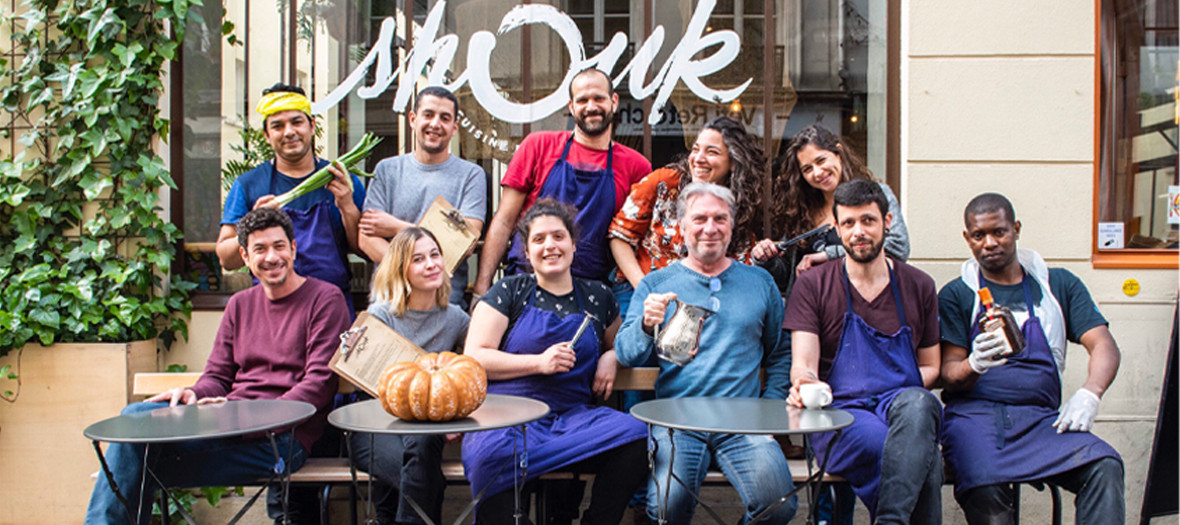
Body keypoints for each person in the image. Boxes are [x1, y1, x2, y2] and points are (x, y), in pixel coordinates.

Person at [85, 208, 350, 525]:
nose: (272, 257)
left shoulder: (324, 299)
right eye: (260, 249)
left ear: (293, 248)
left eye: (279, 246)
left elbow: (318, 385)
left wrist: (248, 416)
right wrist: (192, 393)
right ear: (245, 256)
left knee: (133, 462)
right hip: (227, 426)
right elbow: (217, 376)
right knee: (133, 422)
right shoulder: (240, 305)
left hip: (281, 441)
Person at [616, 183, 797, 524]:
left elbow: (779, 355)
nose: (710, 227)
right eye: (699, 218)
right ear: (682, 226)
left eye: (720, 218)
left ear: (731, 226)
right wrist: (644, 325)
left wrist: (772, 415)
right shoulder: (655, 284)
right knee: (667, 508)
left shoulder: (760, 282)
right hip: (676, 422)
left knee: (780, 504)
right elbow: (626, 355)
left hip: (744, 423)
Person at [939, 193, 1124, 525]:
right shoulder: (958, 294)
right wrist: (975, 364)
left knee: (1104, 466)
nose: (990, 243)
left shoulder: (1058, 285)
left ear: (1016, 229)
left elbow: (1104, 345)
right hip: (975, 421)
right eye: (979, 236)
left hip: (1042, 421)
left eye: (999, 232)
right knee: (985, 485)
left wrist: (1090, 393)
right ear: (968, 239)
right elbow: (948, 373)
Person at [462, 199, 648, 525]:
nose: (550, 245)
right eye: (539, 239)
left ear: (573, 245)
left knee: (639, 437)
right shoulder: (509, 291)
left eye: (559, 237)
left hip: (571, 418)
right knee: (491, 457)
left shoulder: (598, 296)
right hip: (507, 419)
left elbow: (624, 342)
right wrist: (537, 363)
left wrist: (612, 356)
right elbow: (474, 357)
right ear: (526, 251)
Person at [784, 179, 942, 524]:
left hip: (901, 407)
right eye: (849, 223)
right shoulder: (813, 285)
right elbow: (803, 366)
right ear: (837, 229)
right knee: (919, 454)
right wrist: (808, 385)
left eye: (868, 220)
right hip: (838, 414)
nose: (859, 231)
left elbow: (931, 367)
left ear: (887, 222)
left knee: (920, 403)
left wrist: (893, 391)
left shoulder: (919, 285)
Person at [474, 68, 652, 295]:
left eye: (599, 98)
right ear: (571, 107)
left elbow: (636, 240)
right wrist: (482, 287)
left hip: (594, 293)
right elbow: (504, 221)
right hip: (527, 285)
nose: (591, 107)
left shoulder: (636, 166)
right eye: (582, 100)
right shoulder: (537, 146)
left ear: (614, 102)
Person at [349, 227, 471, 525]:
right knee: (423, 475)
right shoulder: (380, 315)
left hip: (426, 431)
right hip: (376, 427)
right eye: (418, 259)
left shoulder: (455, 318)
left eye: (435, 255)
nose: (431, 264)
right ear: (401, 269)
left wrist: (456, 416)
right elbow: (355, 376)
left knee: (420, 451)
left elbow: (472, 372)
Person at [217, 83, 366, 314]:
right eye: (277, 126)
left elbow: (362, 249)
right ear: (267, 135)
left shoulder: (342, 180)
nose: (289, 132)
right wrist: (255, 222)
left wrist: (347, 206)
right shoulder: (248, 185)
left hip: (331, 308)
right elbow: (226, 259)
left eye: (297, 122)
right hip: (271, 311)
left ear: (312, 126)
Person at [609, 116, 768, 314]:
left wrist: (763, 253)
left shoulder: (738, 205)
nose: (699, 158)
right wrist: (644, 288)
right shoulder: (664, 182)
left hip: (697, 300)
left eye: (712, 152)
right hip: (636, 289)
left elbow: (741, 266)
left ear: (733, 163)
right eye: (695, 149)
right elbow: (619, 237)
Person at [359, 86, 486, 307]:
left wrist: (397, 227)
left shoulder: (471, 175)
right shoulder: (386, 170)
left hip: (442, 306)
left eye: (445, 118)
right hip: (388, 303)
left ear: (454, 127)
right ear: (413, 119)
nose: (435, 124)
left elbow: (465, 243)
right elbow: (366, 239)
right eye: (428, 115)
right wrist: (417, 269)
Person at [754, 124, 910, 295]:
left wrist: (828, 255)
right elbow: (786, 279)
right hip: (807, 312)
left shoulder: (877, 194)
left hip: (864, 309)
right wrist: (766, 259)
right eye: (807, 169)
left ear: (839, 153)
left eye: (821, 160)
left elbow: (898, 248)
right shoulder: (800, 208)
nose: (818, 172)